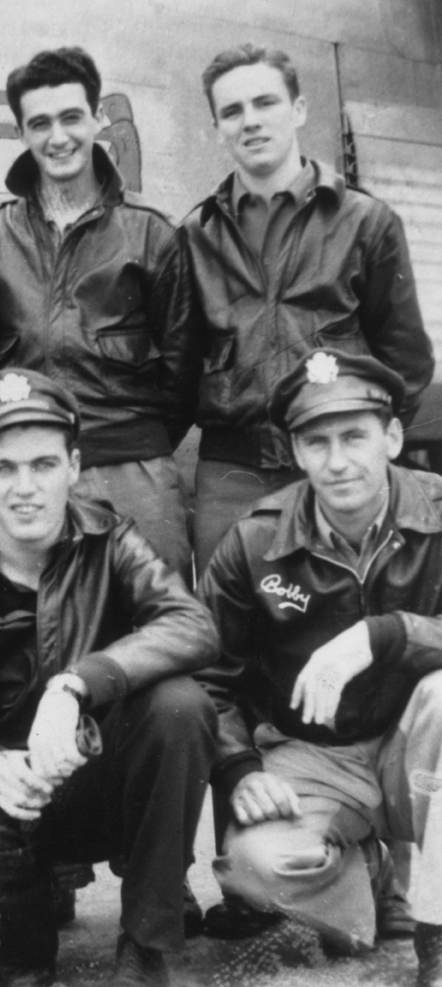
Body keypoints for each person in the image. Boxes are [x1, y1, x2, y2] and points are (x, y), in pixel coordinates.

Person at [0, 368, 219, 987]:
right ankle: (26, 936)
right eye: (3, 469)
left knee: (181, 706)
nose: (25, 488)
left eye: (44, 465)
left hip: (99, 782)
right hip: (8, 794)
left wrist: (78, 682)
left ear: (74, 467)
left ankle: (145, 943)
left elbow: (193, 626)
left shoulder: (113, 541)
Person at [198, 349, 442, 984]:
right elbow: (207, 676)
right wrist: (239, 768)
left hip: (424, 749)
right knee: (258, 866)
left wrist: (387, 634)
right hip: (315, 753)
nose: (338, 462)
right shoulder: (255, 542)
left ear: (391, 437)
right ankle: (366, 873)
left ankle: (438, 930)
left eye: (355, 436)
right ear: (296, 452)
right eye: (317, 442)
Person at [169, 43, 433, 573]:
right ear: (217, 127)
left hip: (335, 466)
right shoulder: (193, 238)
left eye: (265, 103)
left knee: (344, 621)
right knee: (231, 633)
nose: (251, 122)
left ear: (299, 109)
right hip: (232, 474)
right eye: (232, 111)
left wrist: (357, 447)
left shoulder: (365, 222)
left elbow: (406, 360)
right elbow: (178, 372)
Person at [0, 47, 195, 582]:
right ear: (22, 132)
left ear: (97, 117)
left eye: (72, 117)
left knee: (156, 632)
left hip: (133, 473)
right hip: (33, 477)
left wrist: (127, 445)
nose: (58, 137)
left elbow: (185, 373)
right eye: (40, 123)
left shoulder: (151, 235)